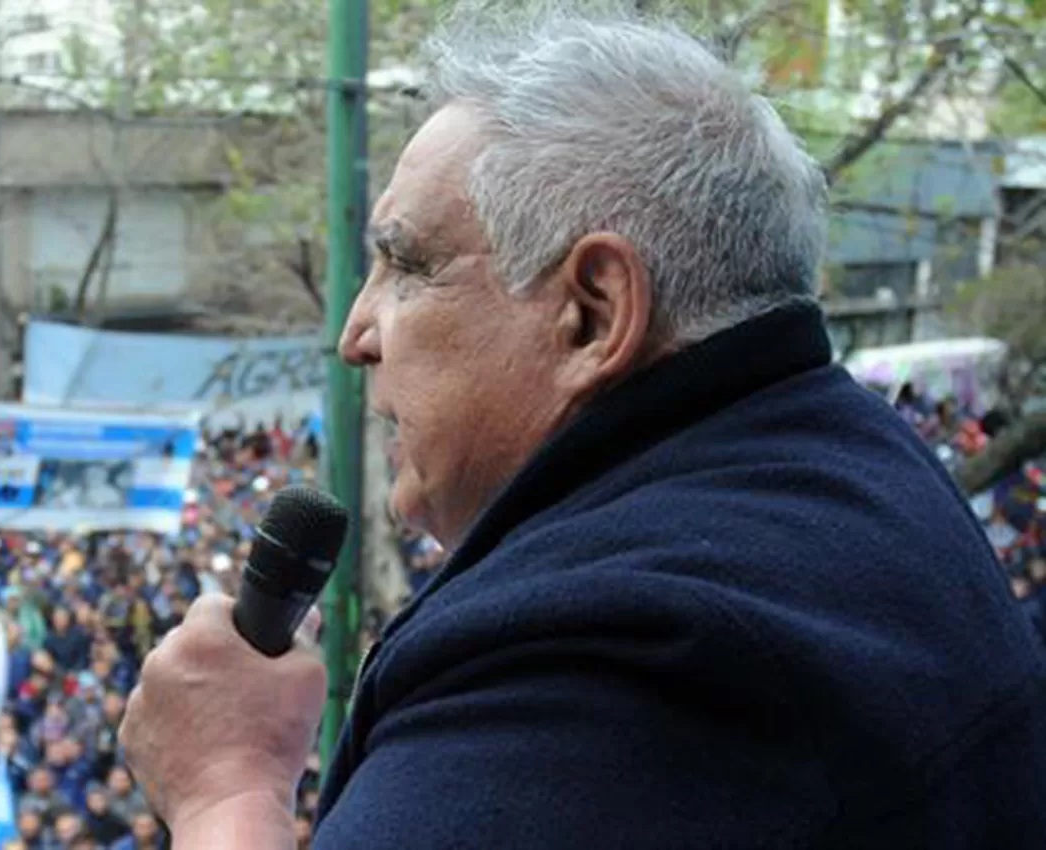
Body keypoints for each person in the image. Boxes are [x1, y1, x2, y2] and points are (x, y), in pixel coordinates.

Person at [118, 3, 1046, 847]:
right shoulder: (853, 468)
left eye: (407, 266)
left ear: (594, 313)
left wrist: (226, 790)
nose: (354, 333)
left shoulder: (611, 658)